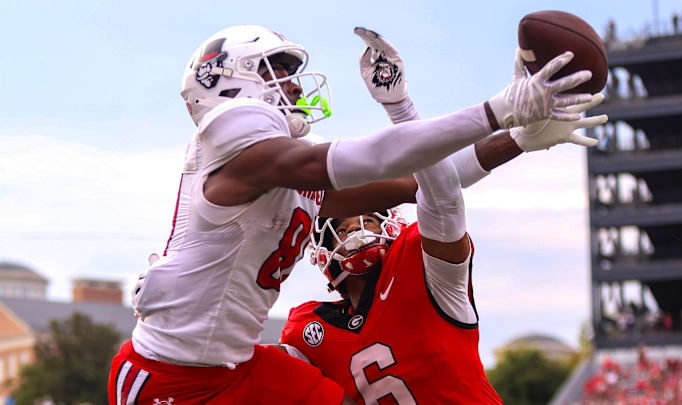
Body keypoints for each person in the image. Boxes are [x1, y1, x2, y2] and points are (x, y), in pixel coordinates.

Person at [108, 24, 594, 404]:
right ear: (230, 84)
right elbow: (368, 159)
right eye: (277, 70)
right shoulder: (240, 153)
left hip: (238, 365)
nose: (295, 87)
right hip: (169, 374)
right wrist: (498, 109)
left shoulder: (285, 173)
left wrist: (518, 138)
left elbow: (425, 181)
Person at [278, 29, 606, 404]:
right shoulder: (307, 330)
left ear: (390, 224)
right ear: (318, 247)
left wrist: (401, 109)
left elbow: (440, 192)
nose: (356, 225)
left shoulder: (419, 262)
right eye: (343, 223)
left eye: (368, 218)